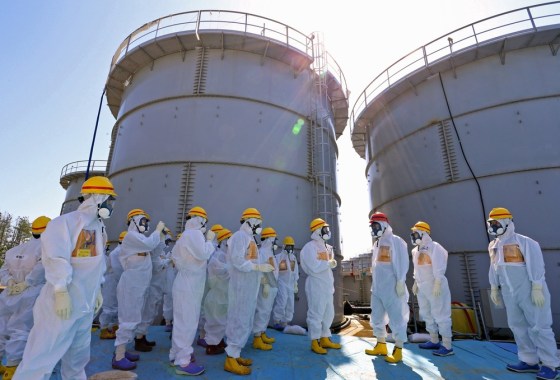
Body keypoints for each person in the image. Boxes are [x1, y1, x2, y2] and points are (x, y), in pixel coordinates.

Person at [13, 176, 116, 380]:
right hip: (61, 305)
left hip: (84, 306)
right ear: (97, 197)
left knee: (77, 359)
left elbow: (97, 263)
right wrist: (60, 291)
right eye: (109, 200)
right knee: (41, 356)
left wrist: (98, 291)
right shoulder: (63, 224)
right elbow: (56, 258)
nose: (111, 205)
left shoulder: (99, 228)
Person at [487, 207, 559, 380]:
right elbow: (494, 267)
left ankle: (551, 365)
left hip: (530, 292)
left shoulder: (525, 242)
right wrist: (495, 287)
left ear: (506, 222)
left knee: (539, 327)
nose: (493, 226)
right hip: (510, 293)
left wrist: (536, 286)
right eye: (491, 223)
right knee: (517, 326)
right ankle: (529, 360)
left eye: (496, 222)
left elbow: (536, 264)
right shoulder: (494, 245)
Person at [112, 209, 166, 371]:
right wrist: (156, 232)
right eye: (143, 221)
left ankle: (123, 351)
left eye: (147, 223)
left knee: (134, 318)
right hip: (131, 285)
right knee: (128, 319)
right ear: (134, 221)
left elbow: (153, 250)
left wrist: (161, 237)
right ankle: (119, 356)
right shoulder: (131, 237)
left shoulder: (141, 239)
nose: (145, 225)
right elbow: (150, 244)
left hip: (140, 285)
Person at [223, 208, 274, 375]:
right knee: (238, 319)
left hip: (249, 288)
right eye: (258, 223)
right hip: (241, 287)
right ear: (249, 222)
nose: (260, 226)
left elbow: (249, 260)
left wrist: (261, 276)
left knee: (244, 320)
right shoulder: (239, 237)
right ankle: (230, 359)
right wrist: (257, 267)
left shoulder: (250, 239)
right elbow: (238, 261)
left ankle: (235, 355)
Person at [0, 216, 49, 379]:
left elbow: (3, 271)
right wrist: (26, 283)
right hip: (30, 294)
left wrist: (10, 281)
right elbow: (40, 270)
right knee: (20, 331)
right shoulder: (46, 249)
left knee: (1, 328)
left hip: (8, 293)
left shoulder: (14, 250)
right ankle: (12, 369)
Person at [169, 206, 215, 376]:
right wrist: (210, 241)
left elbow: (174, 257)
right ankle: (184, 361)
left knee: (181, 322)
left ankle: (176, 355)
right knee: (187, 324)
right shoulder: (195, 234)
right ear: (200, 220)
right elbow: (203, 254)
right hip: (189, 286)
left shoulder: (184, 236)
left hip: (184, 283)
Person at [364, 212, 409, 363]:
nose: (374, 229)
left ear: (384, 225)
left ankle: (398, 350)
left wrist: (400, 281)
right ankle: (381, 345)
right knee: (377, 317)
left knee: (397, 318)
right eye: (372, 226)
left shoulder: (396, 241)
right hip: (377, 289)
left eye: (376, 225)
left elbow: (402, 262)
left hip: (392, 287)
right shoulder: (376, 244)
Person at [410, 221, 453, 356]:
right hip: (422, 287)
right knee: (426, 313)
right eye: (413, 233)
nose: (413, 235)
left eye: (416, 233)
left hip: (435, 286)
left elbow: (439, 264)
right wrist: (416, 282)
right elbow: (417, 268)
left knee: (441, 314)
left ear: (424, 233)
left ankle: (447, 346)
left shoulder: (435, 247)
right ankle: (434, 340)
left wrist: (438, 281)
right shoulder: (415, 251)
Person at [300, 218, 341, 355]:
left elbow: (326, 266)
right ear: (318, 231)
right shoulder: (309, 247)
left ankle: (324, 337)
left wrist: (330, 263)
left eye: (327, 229)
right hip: (316, 285)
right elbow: (312, 267)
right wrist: (328, 263)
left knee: (328, 314)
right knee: (316, 314)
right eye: (325, 229)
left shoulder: (328, 248)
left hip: (327, 285)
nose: (327, 232)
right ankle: (314, 341)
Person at [203, 228, 232, 355]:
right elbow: (222, 271)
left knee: (222, 320)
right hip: (216, 294)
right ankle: (211, 346)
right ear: (223, 241)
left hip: (223, 294)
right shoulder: (217, 256)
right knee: (215, 321)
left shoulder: (225, 256)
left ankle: (218, 341)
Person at [196, 224, 224, 348]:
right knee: (204, 308)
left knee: (210, 310)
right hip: (207, 281)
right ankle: (203, 336)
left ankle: (208, 335)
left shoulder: (217, 248)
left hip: (212, 282)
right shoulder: (210, 246)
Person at [252, 227, 279, 350]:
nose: (275, 243)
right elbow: (259, 269)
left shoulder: (270, 253)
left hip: (272, 285)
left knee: (267, 311)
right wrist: (265, 283)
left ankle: (262, 333)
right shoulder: (262, 252)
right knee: (262, 311)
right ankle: (257, 337)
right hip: (265, 286)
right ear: (268, 240)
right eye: (273, 240)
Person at [99, 231, 127, 340]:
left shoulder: (123, 252)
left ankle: (114, 328)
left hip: (117, 282)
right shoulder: (116, 253)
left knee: (116, 306)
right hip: (112, 282)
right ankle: (104, 329)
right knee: (109, 306)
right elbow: (117, 270)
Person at [272, 236, 299, 330]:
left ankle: (285, 322)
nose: (289, 249)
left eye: (291, 247)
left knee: (290, 303)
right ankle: (277, 321)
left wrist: (295, 283)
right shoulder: (278, 257)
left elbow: (295, 271)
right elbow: (274, 271)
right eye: (288, 246)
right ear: (284, 246)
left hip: (290, 284)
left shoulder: (293, 258)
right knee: (282, 302)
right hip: (282, 283)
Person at [163, 232, 179, 332]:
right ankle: (168, 322)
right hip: (170, 282)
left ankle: (176, 323)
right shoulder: (171, 254)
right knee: (169, 300)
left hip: (180, 283)